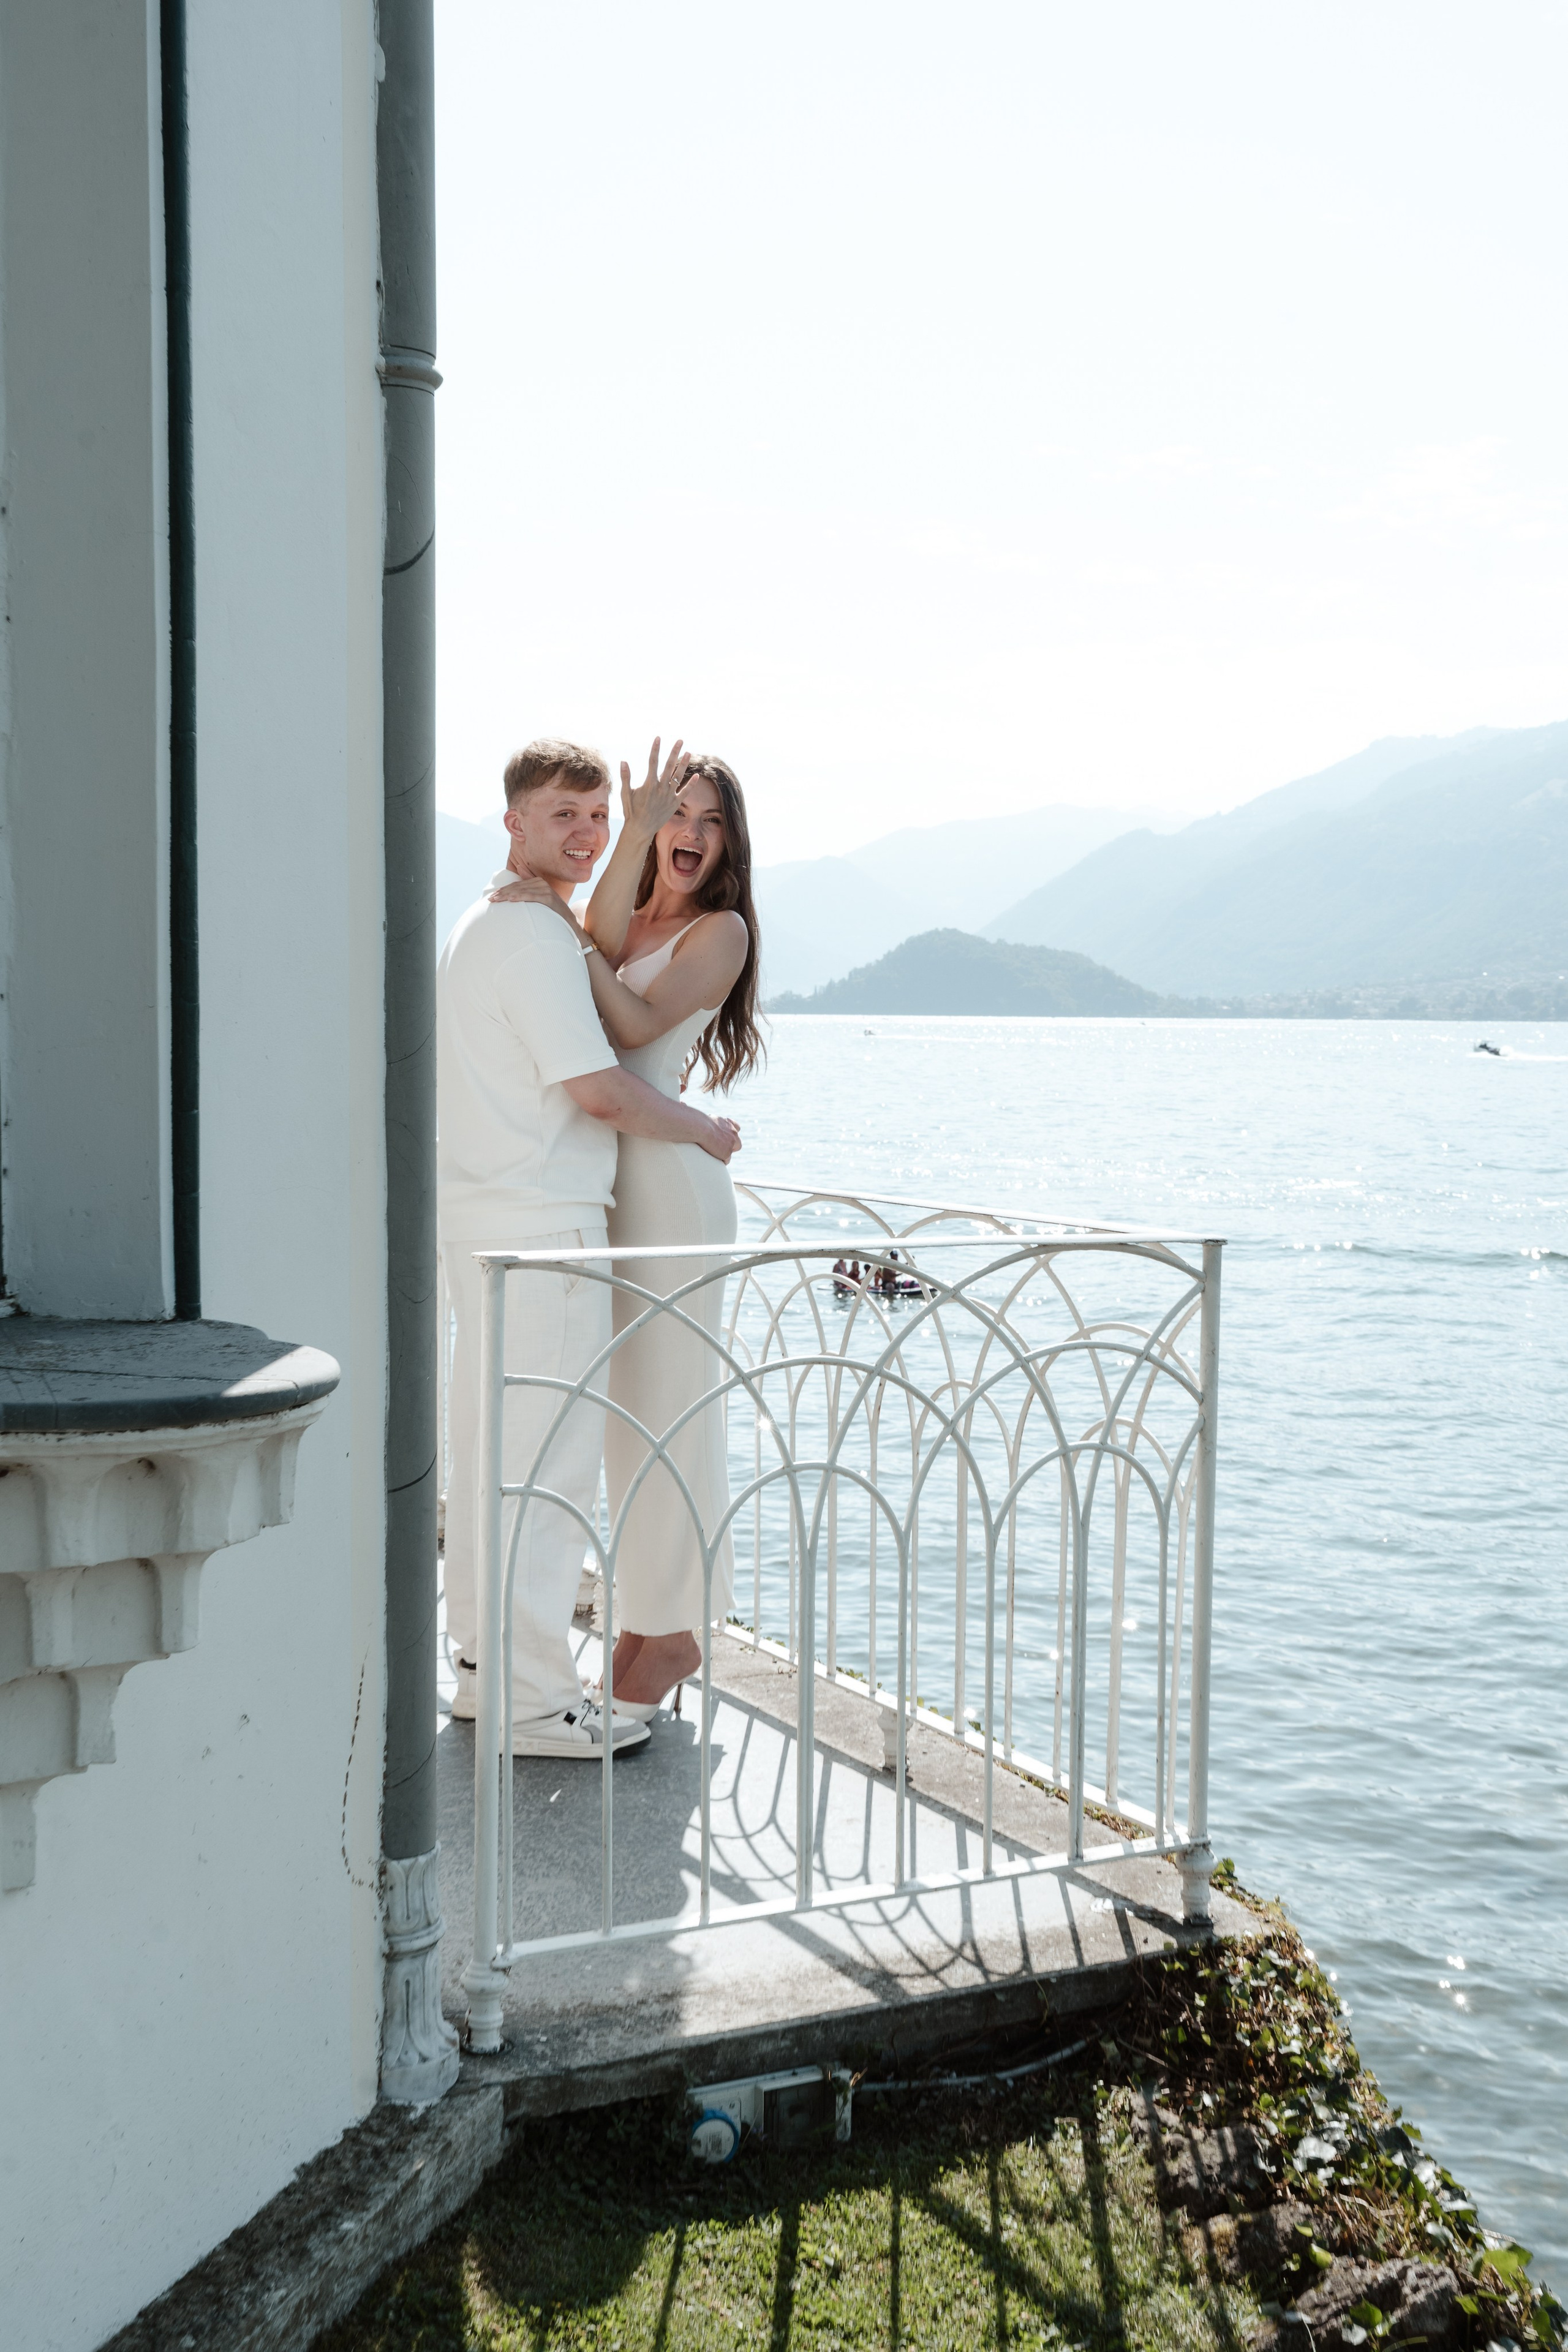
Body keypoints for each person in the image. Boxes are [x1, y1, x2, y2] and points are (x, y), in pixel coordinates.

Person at [438, 736, 741, 1758]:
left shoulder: (718, 932)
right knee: (597, 1433)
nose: (685, 835)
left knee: (670, 1412)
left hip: (666, 1184)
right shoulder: (577, 919)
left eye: (705, 820)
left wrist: (568, 933)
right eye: (671, 815)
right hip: (602, 1183)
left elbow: (633, 1019)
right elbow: (578, 985)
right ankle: (584, 1643)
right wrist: (577, 914)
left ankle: (667, 1635)